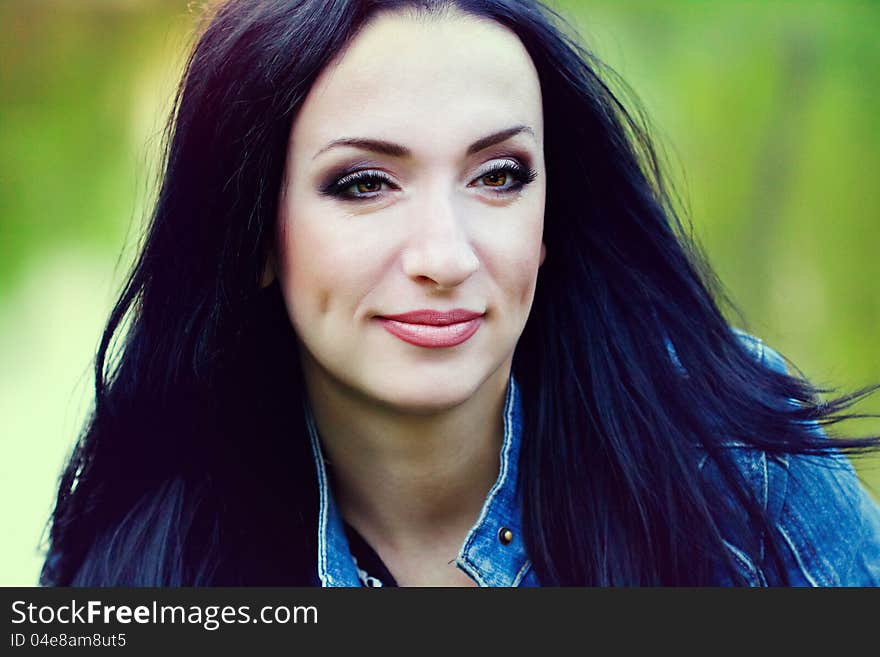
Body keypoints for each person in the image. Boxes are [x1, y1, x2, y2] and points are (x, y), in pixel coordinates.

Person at [41, 0, 880, 587]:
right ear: (256, 230)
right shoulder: (146, 554)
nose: (445, 254)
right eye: (365, 183)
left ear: (552, 216)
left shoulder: (736, 457)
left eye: (499, 175)